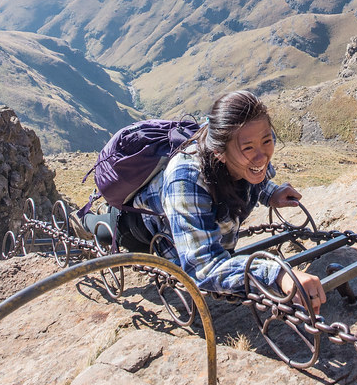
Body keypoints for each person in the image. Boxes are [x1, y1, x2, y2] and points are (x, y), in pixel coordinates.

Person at [125, 90, 327, 313]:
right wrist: (278, 274)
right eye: (248, 147)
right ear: (219, 152)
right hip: (146, 229)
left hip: (205, 221)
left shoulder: (250, 145)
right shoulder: (186, 179)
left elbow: (251, 174)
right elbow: (202, 267)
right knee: (112, 232)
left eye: (267, 140)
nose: (262, 156)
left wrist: (270, 192)